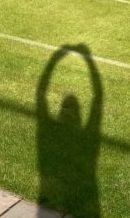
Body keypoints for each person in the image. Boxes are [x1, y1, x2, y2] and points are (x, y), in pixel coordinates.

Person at [36, 44, 103, 218]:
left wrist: (54, 59)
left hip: (51, 202)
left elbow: (40, 96)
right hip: (87, 204)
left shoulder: (49, 132)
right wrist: (89, 61)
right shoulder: (87, 139)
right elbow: (98, 97)